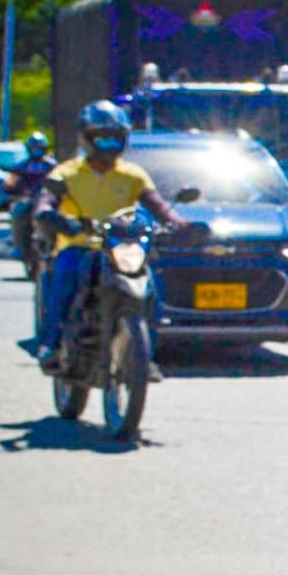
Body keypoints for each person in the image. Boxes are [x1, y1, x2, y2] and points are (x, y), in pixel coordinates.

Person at [32, 101, 203, 372]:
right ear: (87, 139)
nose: (108, 147)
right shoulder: (66, 172)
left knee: (152, 292)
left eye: (115, 140)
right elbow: (45, 202)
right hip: (80, 246)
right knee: (64, 279)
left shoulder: (133, 175)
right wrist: (52, 216)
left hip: (121, 247)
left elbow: (158, 206)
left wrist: (180, 226)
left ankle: (144, 359)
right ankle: (50, 345)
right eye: (102, 139)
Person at [7, 131, 56, 259]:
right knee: (18, 211)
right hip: (28, 198)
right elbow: (10, 182)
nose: (37, 152)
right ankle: (18, 245)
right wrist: (10, 186)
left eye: (39, 149)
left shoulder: (52, 166)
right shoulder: (21, 166)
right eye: (34, 149)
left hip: (47, 199)